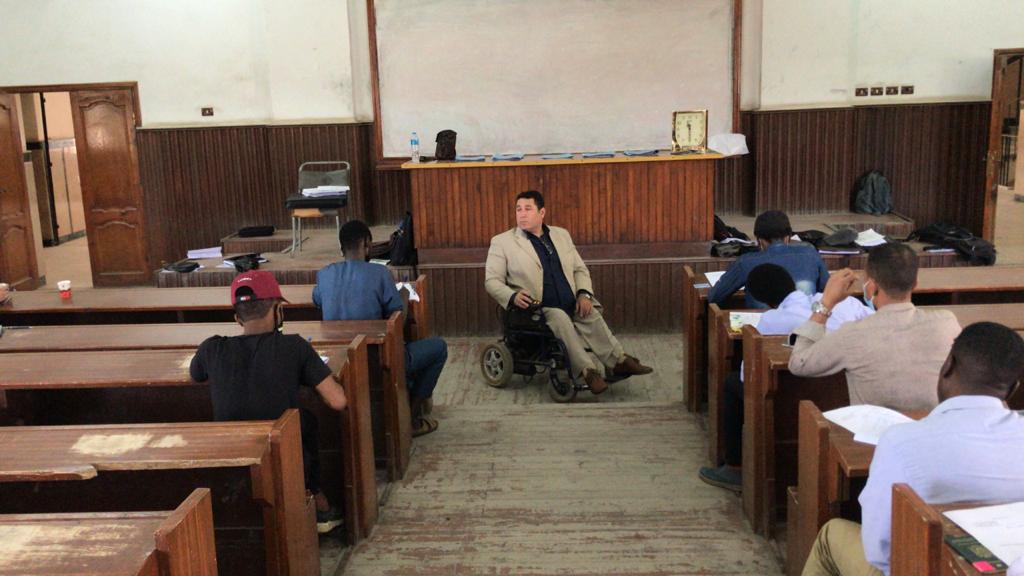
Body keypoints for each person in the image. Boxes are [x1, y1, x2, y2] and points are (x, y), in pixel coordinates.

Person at [802, 322, 1024, 576]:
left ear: (948, 365)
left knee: (830, 535)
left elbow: (878, 548)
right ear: (1013, 388)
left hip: (919, 569)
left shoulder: (900, 442)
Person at [190, 271, 348, 534]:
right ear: (278, 311)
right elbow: (338, 401)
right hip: (280, 456)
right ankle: (316, 501)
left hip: (231, 455)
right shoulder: (295, 347)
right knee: (305, 421)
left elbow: (195, 374)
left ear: (237, 318)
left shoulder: (211, 348)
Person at [699, 264, 871, 492]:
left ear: (764, 301)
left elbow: (747, 375)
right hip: (851, 397)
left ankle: (735, 467)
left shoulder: (772, 320)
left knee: (733, 382)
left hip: (795, 400)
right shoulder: (846, 303)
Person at [484, 190, 653, 395]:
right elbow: (492, 281)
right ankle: (587, 371)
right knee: (559, 317)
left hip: (570, 301)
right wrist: (512, 296)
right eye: (518, 209)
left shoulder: (561, 235)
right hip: (534, 310)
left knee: (589, 313)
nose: (522, 214)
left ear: (542, 212)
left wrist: (584, 294)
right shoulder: (503, 242)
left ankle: (618, 361)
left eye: (528, 209)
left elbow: (579, 269)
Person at [313, 219, 447, 437]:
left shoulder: (324, 274)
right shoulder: (379, 273)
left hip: (338, 361)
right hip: (376, 358)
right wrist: (403, 296)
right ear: (367, 244)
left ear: (341, 247)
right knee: (439, 348)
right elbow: (397, 317)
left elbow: (317, 300)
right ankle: (411, 417)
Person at [789, 243, 962, 411]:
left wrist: (826, 302)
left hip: (874, 431)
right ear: (915, 283)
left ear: (871, 287)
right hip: (932, 428)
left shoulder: (852, 334)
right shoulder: (946, 323)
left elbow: (799, 364)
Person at [708, 210, 830, 308]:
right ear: (788, 237)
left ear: (759, 241)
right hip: (805, 326)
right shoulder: (810, 253)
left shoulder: (746, 262)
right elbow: (827, 291)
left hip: (760, 328)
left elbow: (715, 297)